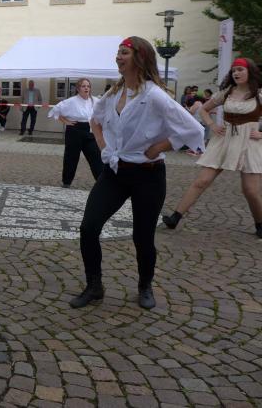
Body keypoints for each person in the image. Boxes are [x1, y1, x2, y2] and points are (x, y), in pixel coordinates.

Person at [69, 37, 204, 310]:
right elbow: (95, 120)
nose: (118, 57)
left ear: (140, 58)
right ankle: (94, 285)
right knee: (88, 227)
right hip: (115, 173)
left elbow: (193, 130)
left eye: (124, 53)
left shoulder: (154, 95)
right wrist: (104, 147)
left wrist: (160, 147)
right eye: (118, 52)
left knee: (142, 236)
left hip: (148, 176)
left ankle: (145, 285)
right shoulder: (113, 93)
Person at [163, 58, 262, 238]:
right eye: (234, 70)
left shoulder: (259, 95)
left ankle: (260, 223)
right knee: (202, 181)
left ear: (250, 72)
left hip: (249, 143)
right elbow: (203, 109)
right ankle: (175, 217)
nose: (236, 73)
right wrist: (212, 125)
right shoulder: (227, 92)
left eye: (240, 70)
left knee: (250, 190)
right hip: (224, 140)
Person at [48, 78, 103, 188]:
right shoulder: (71, 101)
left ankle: (102, 182)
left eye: (88, 86)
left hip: (89, 130)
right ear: (78, 88)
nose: (86, 88)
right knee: (71, 157)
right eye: (83, 86)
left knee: (96, 157)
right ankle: (67, 182)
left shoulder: (95, 101)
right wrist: (65, 121)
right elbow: (55, 110)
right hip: (74, 130)